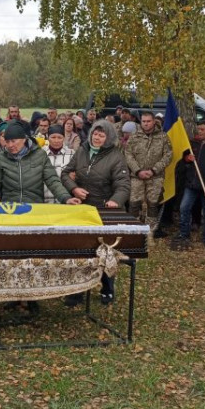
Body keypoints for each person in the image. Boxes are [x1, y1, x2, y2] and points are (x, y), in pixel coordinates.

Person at [0, 121, 80, 313]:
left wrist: (66, 198)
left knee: (32, 258)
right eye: (7, 141)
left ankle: (32, 297)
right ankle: (13, 296)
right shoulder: (2, 158)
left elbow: (52, 179)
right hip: (10, 213)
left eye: (13, 141)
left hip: (33, 211)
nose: (10, 145)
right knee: (11, 257)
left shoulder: (40, 155)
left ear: (24, 140)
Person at [61, 120, 130, 306]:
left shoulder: (116, 156)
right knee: (80, 251)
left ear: (108, 138)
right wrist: (74, 188)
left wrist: (116, 200)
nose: (97, 138)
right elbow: (66, 173)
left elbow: (123, 184)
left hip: (104, 210)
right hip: (82, 209)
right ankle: (77, 291)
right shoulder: (82, 150)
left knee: (104, 251)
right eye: (95, 134)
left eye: (101, 135)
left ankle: (107, 287)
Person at [174, 120, 205, 250]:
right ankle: (184, 233)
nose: (199, 132)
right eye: (198, 129)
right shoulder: (192, 143)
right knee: (184, 208)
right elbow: (184, 159)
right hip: (192, 183)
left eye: (202, 129)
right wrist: (187, 159)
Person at [125, 111, 173, 226]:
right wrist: (137, 171)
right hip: (137, 177)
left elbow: (168, 156)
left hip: (155, 177)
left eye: (148, 121)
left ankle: (150, 232)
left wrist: (153, 170)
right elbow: (128, 154)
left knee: (153, 205)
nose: (146, 124)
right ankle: (133, 230)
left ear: (154, 121)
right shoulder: (134, 136)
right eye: (143, 121)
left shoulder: (163, 137)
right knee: (134, 204)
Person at [42, 125, 75, 203]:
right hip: (43, 200)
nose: (56, 140)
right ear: (47, 137)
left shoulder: (72, 154)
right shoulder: (41, 153)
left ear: (64, 138)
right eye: (53, 137)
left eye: (59, 137)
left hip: (65, 200)